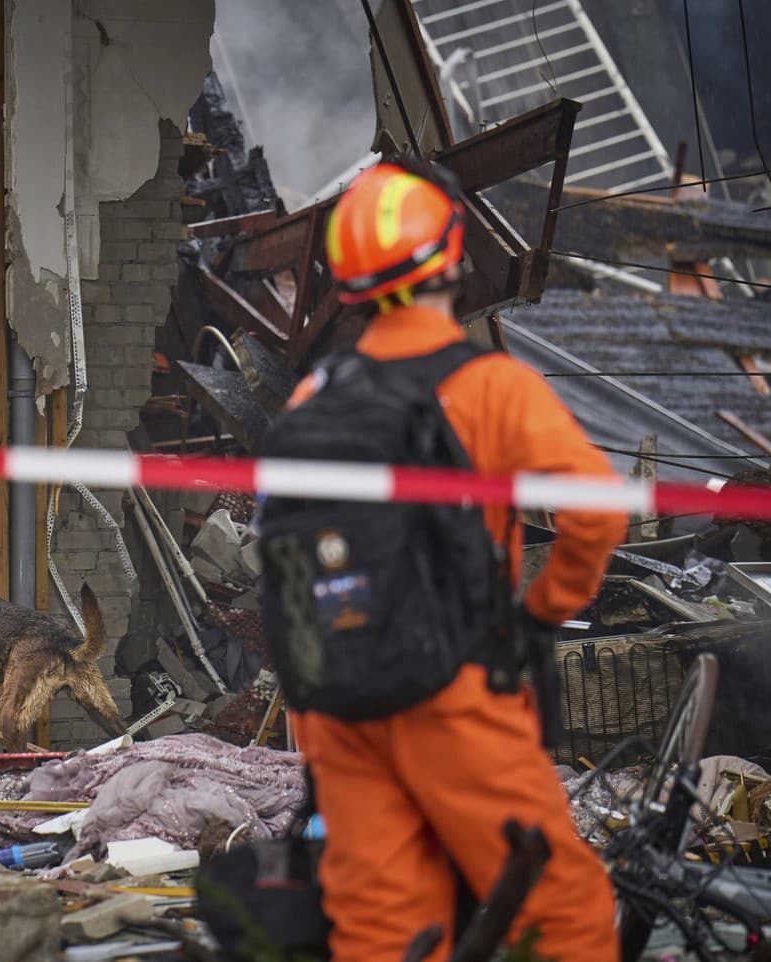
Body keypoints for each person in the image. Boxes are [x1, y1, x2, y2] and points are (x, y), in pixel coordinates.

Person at [290, 160, 626, 962]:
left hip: (339, 706)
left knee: (386, 931)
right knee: (563, 919)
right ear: (451, 259)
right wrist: (542, 612)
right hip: (456, 692)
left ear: (350, 289)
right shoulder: (492, 387)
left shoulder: (312, 401)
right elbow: (596, 509)